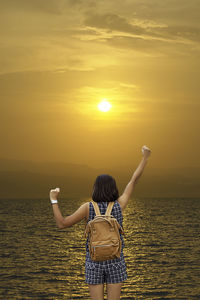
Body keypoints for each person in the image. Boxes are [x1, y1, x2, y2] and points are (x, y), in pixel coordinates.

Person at [49, 145, 151, 300]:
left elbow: (62, 224)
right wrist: (145, 157)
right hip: (115, 260)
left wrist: (53, 199)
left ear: (95, 188)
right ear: (114, 188)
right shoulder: (119, 204)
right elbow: (133, 180)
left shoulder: (87, 208)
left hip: (94, 262)